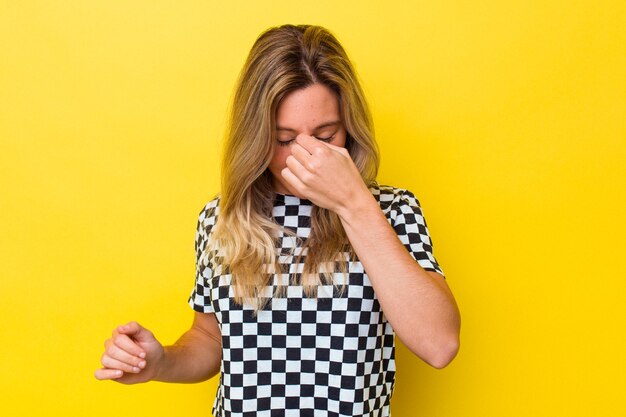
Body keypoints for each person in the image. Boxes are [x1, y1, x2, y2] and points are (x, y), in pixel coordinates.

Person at [95, 24, 461, 417]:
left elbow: (439, 344)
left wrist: (354, 204)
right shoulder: (220, 219)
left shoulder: (391, 211)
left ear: (349, 128)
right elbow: (210, 339)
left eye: (325, 134)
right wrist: (160, 361)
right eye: (284, 139)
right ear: (256, 136)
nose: (305, 155)